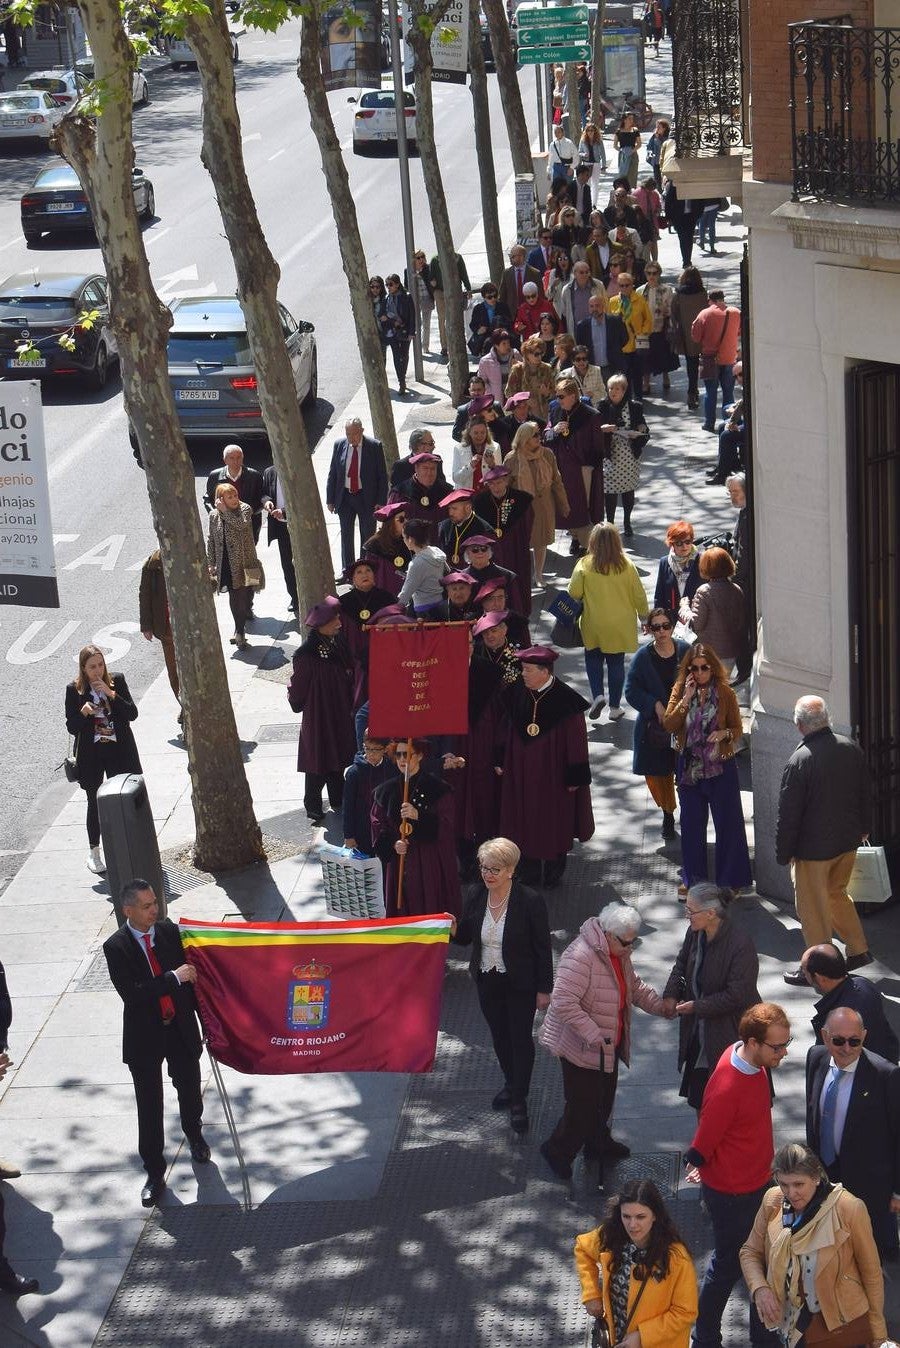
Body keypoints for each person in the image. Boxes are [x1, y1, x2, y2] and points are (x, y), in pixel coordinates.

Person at [684, 1002, 792, 1348]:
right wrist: (698, 1163)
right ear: (752, 1042)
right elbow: (706, 1135)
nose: (784, 1053)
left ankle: (757, 1335)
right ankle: (705, 1337)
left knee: (757, 1262)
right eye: (777, 1047)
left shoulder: (746, 1057)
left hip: (758, 1182)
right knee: (731, 1265)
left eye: (785, 1043)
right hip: (734, 1193)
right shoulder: (730, 1085)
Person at [539, 902, 667, 1183]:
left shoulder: (617, 951)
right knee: (581, 1106)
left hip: (607, 1045)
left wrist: (660, 1006)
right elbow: (562, 1002)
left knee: (603, 1099)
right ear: (609, 934)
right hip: (583, 1048)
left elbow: (632, 985)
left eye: (634, 942)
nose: (630, 949)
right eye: (626, 943)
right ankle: (557, 1150)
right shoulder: (581, 956)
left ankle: (598, 1143)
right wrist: (594, 1034)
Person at [103, 880, 210, 1209]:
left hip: (178, 1028)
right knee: (149, 1105)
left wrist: (206, 1022)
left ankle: (195, 1134)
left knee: (190, 1087)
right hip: (145, 1036)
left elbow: (193, 980)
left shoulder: (168, 933)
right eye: (147, 906)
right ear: (128, 910)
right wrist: (172, 978)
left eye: (155, 903)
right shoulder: (116, 947)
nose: (155, 910)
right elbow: (133, 994)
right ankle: (154, 1173)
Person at [741, 1141, 888, 1347]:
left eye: (798, 1184)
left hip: (838, 1327)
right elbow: (750, 1252)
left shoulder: (849, 1208)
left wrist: (878, 1334)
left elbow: (872, 1274)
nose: (790, 1193)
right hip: (784, 1324)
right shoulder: (772, 1201)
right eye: (783, 1184)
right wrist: (760, 1289)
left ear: (816, 1178)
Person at [451, 837, 552, 1134]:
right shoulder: (476, 894)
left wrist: (544, 989)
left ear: (511, 870)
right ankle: (511, 1082)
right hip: (487, 979)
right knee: (499, 1037)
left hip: (520, 982)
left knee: (520, 1038)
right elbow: (467, 936)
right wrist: (453, 929)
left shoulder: (530, 901)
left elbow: (542, 948)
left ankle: (519, 1098)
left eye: (495, 869)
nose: (487, 874)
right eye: (484, 867)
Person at [776, 696, 873, 981]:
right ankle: (858, 949)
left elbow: (789, 814)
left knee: (813, 909)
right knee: (837, 895)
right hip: (847, 842)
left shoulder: (800, 760)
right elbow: (865, 792)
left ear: (799, 724)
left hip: (814, 851)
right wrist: (864, 828)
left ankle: (818, 969)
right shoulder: (850, 747)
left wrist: (784, 853)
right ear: (826, 719)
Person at [806, 1006, 900, 1261]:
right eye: (838, 1040)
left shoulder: (885, 1076)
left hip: (870, 1188)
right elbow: (812, 1113)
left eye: (854, 1041)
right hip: (825, 1177)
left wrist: (897, 1192)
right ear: (825, 1036)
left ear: (864, 1036)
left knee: (870, 1257)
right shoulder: (815, 1058)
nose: (847, 1048)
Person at [498, 646, 593, 887]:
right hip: (521, 773)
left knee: (554, 820)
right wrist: (500, 760)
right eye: (523, 669)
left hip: (553, 775)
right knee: (523, 819)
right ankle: (528, 869)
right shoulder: (516, 694)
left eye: (528, 670)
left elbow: (576, 743)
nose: (523, 674)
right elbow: (504, 730)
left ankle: (554, 869)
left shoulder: (567, 701)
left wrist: (575, 777)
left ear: (544, 671)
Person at [663, 882, 761, 1111]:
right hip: (701, 1032)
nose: (686, 915)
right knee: (702, 1101)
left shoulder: (740, 944)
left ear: (711, 913)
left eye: (691, 911)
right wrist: (671, 994)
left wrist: (697, 1007)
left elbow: (736, 995)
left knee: (727, 1104)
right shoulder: (695, 932)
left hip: (730, 1034)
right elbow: (681, 963)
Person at [663, 643, 752, 895]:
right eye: (695, 668)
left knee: (729, 824)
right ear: (688, 669)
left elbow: (737, 729)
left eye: (705, 668)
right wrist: (686, 699)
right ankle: (694, 879)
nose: (701, 673)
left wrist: (724, 733)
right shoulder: (681, 690)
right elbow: (669, 724)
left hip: (720, 766)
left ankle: (731, 879)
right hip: (690, 768)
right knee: (691, 826)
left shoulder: (725, 692)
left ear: (713, 668)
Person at [575, 1180, 698, 1347]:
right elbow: (583, 1249)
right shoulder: (610, 1237)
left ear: (655, 1215)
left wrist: (643, 1336)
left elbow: (685, 1312)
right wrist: (591, 1294)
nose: (632, 1225)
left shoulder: (676, 1258)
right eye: (626, 1216)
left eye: (640, 1217)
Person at [65, 643, 141, 875]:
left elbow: (132, 714)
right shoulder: (74, 690)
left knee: (125, 798)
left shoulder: (116, 681)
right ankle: (94, 852)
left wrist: (111, 695)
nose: (97, 671)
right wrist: (84, 713)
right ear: (83, 669)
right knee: (94, 800)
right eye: (92, 667)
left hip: (118, 750)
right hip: (93, 755)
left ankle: (131, 846)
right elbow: (72, 727)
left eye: (100, 665)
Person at [371, 739, 461, 918]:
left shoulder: (438, 789)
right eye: (399, 755)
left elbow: (447, 825)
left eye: (408, 754)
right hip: (400, 861)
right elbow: (377, 824)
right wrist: (393, 844)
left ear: (419, 756)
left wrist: (419, 816)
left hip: (428, 859)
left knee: (429, 901)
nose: (402, 760)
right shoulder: (385, 791)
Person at [286, 596, 356, 822]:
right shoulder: (306, 654)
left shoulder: (338, 642)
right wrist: (295, 700)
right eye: (334, 619)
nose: (339, 622)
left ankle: (338, 797)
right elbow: (298, 688)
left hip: (339, 707)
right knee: (318, 757)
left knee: (338, 753)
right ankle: (313, 804)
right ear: (322, 624)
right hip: (319, 712)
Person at [569, 522, 647, 722]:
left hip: (594, 622)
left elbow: (574, 592)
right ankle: (614, 706)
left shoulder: (584, 564)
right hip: (620, 624)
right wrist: (644, 616)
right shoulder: (627, 565)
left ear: (593, 542)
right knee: (616, 663)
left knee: (592, 658)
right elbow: (638, 593)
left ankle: (597, 695)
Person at [624, 606, 691, 836]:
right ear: (650, 630)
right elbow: (631, 690)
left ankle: (689, 813)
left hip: (685, 726)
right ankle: (667, 814)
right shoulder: (643, 657)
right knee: (657, 774)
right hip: (655, 729)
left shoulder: (685, 651)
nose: (662, 631)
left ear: (672, 627)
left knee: (686, 771)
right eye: (656, 627)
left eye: (666, 626)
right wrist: (654, 705)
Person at [801, 943, 899, 1063]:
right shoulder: (864, 984)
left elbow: (831, 1061)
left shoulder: (836, 1017)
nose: (804, 976)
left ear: (819, 977)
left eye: (804, 972)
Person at [503, 420, 569, 588]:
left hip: (544, 505)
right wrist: (505, 514)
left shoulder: (547, 454)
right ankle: (522, 576)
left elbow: (557, 481)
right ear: (524, 438)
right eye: (535, 435)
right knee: (523, 544)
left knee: (541, 542)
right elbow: (505, 488)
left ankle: (538, 574)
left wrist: (564, 504)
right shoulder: (511, 459)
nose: (539, 438)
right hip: (522, 508)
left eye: (539, 434)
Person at [543, 376, 603, 555]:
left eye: (561, 396)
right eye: (557, 396)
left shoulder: (591, 415)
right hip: (561, 467)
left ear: (573, 396)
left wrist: (589, 466)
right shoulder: (555, 410)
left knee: (582, 506)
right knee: (565, 505)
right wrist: (554, 432)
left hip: (582, 469)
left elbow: (598, 446)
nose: (558, 400)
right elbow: (546, 434)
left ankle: (587, 545)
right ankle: (574, 538)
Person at [326, 417, 388, 573]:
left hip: (366, 497)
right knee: (346, 535)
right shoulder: (339, 445)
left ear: (361, 431)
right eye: (348, 434)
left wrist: (381, 501)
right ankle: (347, 569)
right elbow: (333, 473)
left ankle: (365, 568)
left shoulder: (374, 446)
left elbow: (382, 475)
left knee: (367, 535)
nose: (351, 437)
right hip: (345, 497)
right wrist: (330, 499)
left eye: (354, 434)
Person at [206, 482, 264, 651]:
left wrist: (225, 512)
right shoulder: (213, 515)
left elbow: (242, 525)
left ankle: (241, 624)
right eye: (229, 497)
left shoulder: (245, 508)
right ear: (220, 499)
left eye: (235, 495)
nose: (234, 499)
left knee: (245, 597)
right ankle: (239, 631)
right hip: (226, 563)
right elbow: (211, 540)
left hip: (245, 562)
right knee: (235, 596)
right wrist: (211, 563)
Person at [472, 466, 533, 616]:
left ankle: (518, 611)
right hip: (492, 551)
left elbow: (528, 525)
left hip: (515, 548)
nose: (496, 487)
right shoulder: (480, 502)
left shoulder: (521, 499)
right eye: (491, 484)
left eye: (499, 482)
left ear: (506, 481)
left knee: (517, 580)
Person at [338, 560, 396, 709]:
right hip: (355, 658)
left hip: (383, 657)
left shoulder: (387, 599)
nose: (365, 574)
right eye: (359, 572)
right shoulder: (343, 603)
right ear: (353, 579)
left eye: (368, 571)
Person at [596, 372, 649, 536]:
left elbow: (644, 429)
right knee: (609, 492)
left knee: (628, 490)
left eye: (617, 388)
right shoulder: (601, 406)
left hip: (629, 455)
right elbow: (593, 429)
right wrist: (602, 429)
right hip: (609, 455)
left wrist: (640, 431)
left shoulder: (635, 406)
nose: (613, 391)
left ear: (624, 390)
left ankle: (627, 521)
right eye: (611, 388)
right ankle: (610, 524)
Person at [689, 546, 745, 676]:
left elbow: (697, 623)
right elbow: (741, 622)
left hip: (710, 654)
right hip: (731, 652)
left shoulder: (704, 591)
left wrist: (686, 609)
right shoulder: (737, 590)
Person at [691, 289, 741, 433]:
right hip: (730, 359)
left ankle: (709, 423)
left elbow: (695, 337)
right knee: (728, 392)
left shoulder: (705, 313)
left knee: (710, 392)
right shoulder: (736, 313)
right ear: (723, 299)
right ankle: (728, 422)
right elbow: (739, 332)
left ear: (710, 300)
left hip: (710, 360)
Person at [342, 732, 398, 855]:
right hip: (362, 828)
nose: (371, 754)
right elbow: (348, 806)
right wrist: (349, 834)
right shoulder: (354, 773)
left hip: (385, 828)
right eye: (367, 748)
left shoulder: (391, 769)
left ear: (385, 749)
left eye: (376, 750)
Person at [139, 549, 179, 707]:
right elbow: (144, 594)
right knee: (174, 673)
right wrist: (146, 625)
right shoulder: (152, 565)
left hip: (189, 629)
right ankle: (184, 707)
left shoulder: (188, 556)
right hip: (167, 628)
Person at [203, 443, 264, 543]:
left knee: (248, 553)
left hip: (248, 523)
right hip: (223, 523)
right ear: (225, 460)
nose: (236, 461)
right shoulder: (215, 475)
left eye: (239, 457)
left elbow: (261, 497)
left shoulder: (254, 475)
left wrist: (249, 512)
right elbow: (208, 499)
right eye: (231, 458)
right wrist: (215, 513)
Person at [668, 266, 708, 410]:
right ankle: (698, 390)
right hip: (701, 333)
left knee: (691, 363)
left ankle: (692, 392)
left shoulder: (679, 294)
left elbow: (673, 312)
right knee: (699, 362)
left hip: (686, 333)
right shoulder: (703, 293)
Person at [260, 463, 298, 615]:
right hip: (281, 527)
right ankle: (294, 598)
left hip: (299, 525)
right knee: (287, 564)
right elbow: (264, 494)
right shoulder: (269, 471)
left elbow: (303, 498)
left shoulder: (297, 469)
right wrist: (267, 501)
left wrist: (284, 512)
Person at [607, 272, 653, 391]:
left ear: (632, 285)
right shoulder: (613, 301)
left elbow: (648, 320)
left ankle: (638, 398)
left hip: (637, 345)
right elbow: (608, 322)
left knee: (637, 375)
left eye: (627, 285)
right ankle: (625, 400)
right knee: (622, 377)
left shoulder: (640, 300)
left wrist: (642, 333)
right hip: (621, 346)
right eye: (621, 285)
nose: (624, 288)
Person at [638, 261, 678, 393]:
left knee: (664, 353)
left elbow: (672, 308)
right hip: (645, 329)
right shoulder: (640, 291)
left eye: (654, 273)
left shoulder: (666, 289)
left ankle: (666, 377)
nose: (651, 276)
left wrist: (666, 311)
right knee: (645, 357)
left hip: (661, 327)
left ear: (659, 274)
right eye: (648, 273)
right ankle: (645, 382)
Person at [654, 520, 703, 624]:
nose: (684, 547)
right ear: (672, 543)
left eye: (688, 542)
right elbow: (659, 595)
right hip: (672, 621)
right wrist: (658, 621)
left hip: (697, 620)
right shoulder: (664, 562)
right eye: (679, 543)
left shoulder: (702, 560)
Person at [398, 518, 448, 615]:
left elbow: (406, 593)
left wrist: (395, 608)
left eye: (404, 537)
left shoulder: (416, 563)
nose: (403, 541)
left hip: (424, 609)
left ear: (410, 540)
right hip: (441, 604)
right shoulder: (436, 551)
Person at [575, 291, 628, 383]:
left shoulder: (615, 322)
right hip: (592, 369)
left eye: (597, 305)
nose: (594, 308)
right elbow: (580, 347)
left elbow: (624, 339)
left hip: (613, 367)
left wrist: (615, 351)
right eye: (592, 306)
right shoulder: (582, 326)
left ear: (603, 306)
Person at [390, 449, 451, 528]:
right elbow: (391, 524)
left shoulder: (447, 492)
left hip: (440, 539)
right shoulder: (399, 494)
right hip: (408, 539)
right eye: (425, 468)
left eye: (433, 469)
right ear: (416, 468)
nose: (429, 473)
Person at [363, 501, 411, 597]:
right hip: (383, 594)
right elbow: (371, 575)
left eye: (406, 518)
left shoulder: (408, 541)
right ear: (391, 523)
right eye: (401, 519)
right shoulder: (374, 545)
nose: (405, 522)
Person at [504, 334, 556, 423]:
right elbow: (508, 392)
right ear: (527, 354)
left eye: (541, 354)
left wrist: (547, 393)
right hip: (522, 413)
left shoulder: (547, 369)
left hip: (543, 414)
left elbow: (555, 393)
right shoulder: (517, 370)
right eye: (536, 354)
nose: (539, 357)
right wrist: (524, 401)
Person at [429, 250, 471, 358]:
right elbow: (431, 277)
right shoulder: (435, 260)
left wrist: (468, 288)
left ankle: (458, 342)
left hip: (455, 291)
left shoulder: (457, 258)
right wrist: (433, 287)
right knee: (442, 319)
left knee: (456, 318)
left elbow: (463, 274)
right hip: (440, 292)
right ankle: (444, 346)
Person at [378, 273, 414, 394]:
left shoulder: (406, 297)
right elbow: (382, 317)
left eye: (391, 284)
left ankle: (402, 375)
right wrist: (393, 322)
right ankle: (401, 381)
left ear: (397, 284)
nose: (389, 287)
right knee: (396, 356)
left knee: (404, 356)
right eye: (387, 285)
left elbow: (412, 316)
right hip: (392, 332)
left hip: (404, 331)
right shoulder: (387, 299)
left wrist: (411, 332)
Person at [451, 417, 500, 492]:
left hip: (487, 494)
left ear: (487, 432)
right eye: (476, 433)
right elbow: (456, 478)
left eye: (483, 432)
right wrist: (470, 466)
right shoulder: (459, 449)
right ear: (469, 432)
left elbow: (500, 477)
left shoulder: (495, 447)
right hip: (466, 494)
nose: (479, 436)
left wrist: (492, 465)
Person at [558, 260, 605, 338]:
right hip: (576, 331)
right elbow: (564, 312)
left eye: (587, 272)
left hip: (597, 328)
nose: (585, 275)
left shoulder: (598, 286)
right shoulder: (567, 290)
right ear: (575, 273)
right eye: (581, 272)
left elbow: (605, 305)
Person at [477, 329, 522, 406]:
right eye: (504, 344)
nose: (507, 346)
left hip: (514, 396)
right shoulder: (485, 361)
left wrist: (518, 366)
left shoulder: (515, 354)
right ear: (496, 345)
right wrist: (491, 393)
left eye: (508, 343)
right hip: (496, 399)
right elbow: (482, 381)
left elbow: (524, 373)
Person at [497, 245, 542, 319]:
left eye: (513, 256)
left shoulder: (535, 273)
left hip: (531, 315)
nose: (510, 258)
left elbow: (540, 295)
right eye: (510, 255)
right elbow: (502, 296)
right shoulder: (506, 273)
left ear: (522, 257)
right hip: (511, 315)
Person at [404, 249, 435, 352]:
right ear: (413, 260)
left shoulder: (428, 268)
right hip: (415, 301)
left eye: (423, 257)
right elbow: (406, 287)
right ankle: (417, 346)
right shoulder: (408, 270)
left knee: (426, 324)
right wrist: (413, 276)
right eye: (418, 258)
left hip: (427, 299)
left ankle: (425, 346)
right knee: (417, 324)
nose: (421, 259)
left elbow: (432, 282)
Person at [469, 289, 514, 360]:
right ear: (484, 297)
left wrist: (504, 328)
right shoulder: (478, 308)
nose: (493, 299)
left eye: (495, 296)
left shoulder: (502, 306)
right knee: (488, 344)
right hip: (486, 335)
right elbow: (472, 325)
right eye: (490, 297)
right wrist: (478, 330)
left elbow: (510, 321)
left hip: (501, 334)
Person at [577, 122, 606, 203]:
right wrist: (583, 154)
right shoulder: (583, 141)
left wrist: (604, 165)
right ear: (586, 131)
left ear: (595, 131)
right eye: (588, 130)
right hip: (586, 164)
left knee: (595, 184)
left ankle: (594, 203)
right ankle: (588, 202)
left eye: (592, 130)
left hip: (596, 164)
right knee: (587, 184)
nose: (590, 132)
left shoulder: (598, 141)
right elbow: (579, 152)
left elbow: (603, 153)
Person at [613, 113, 641, 187]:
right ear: (624, 120)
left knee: (632, 175)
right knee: (623, 175)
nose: (631, 120)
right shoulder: (619, 131)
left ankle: (632, 192)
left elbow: (639, 144)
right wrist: (621, 150)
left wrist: (632, 150)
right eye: (629, 118)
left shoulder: (635, 130)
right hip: (623, 156)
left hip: (633, 154)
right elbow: (615, 145)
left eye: (632, 118)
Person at [549, 120, 578, 188]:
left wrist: (572, 168)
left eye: (559, 132)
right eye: (555, 132)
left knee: (568, 188)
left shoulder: (569, 143)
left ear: (563, 133)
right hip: (556, 168)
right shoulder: (552, 145)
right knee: (556, 188)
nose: (557, 134)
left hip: (566, 168)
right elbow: (550, 159)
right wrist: (549, 171)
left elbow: (576, 156)